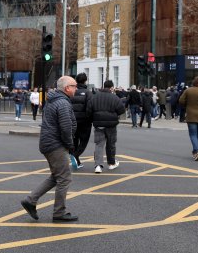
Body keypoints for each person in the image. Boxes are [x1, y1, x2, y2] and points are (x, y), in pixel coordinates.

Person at [20, 76, 79, 222]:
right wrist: (70, 145)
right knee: (64, 178)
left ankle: (30, 200)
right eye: (74, 86)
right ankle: (59, 213)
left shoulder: (54, 100)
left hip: (49, 143)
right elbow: (65, 127)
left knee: (56, 177)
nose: (76, 88)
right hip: (56, 144)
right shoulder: (62, 103)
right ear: (67, 88)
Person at [86, 79, 125, 173]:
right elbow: (121, 110)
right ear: (111, 87)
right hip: (111, 125)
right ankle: (111, 163)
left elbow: (89, 111)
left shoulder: (94, 97)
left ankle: (98, 165)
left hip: (99, 125)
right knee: (111, 144)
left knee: (99, 144)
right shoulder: (114, 98)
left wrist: (93, 120)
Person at [70, 73, 93, 168]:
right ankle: (75, 156)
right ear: (85, 81)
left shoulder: (72, 92)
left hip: (73, 120)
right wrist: (89, 119)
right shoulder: (88, 93)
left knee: (75, 140)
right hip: (84, 121)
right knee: (84, 141)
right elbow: (90, 107)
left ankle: (77, 161)